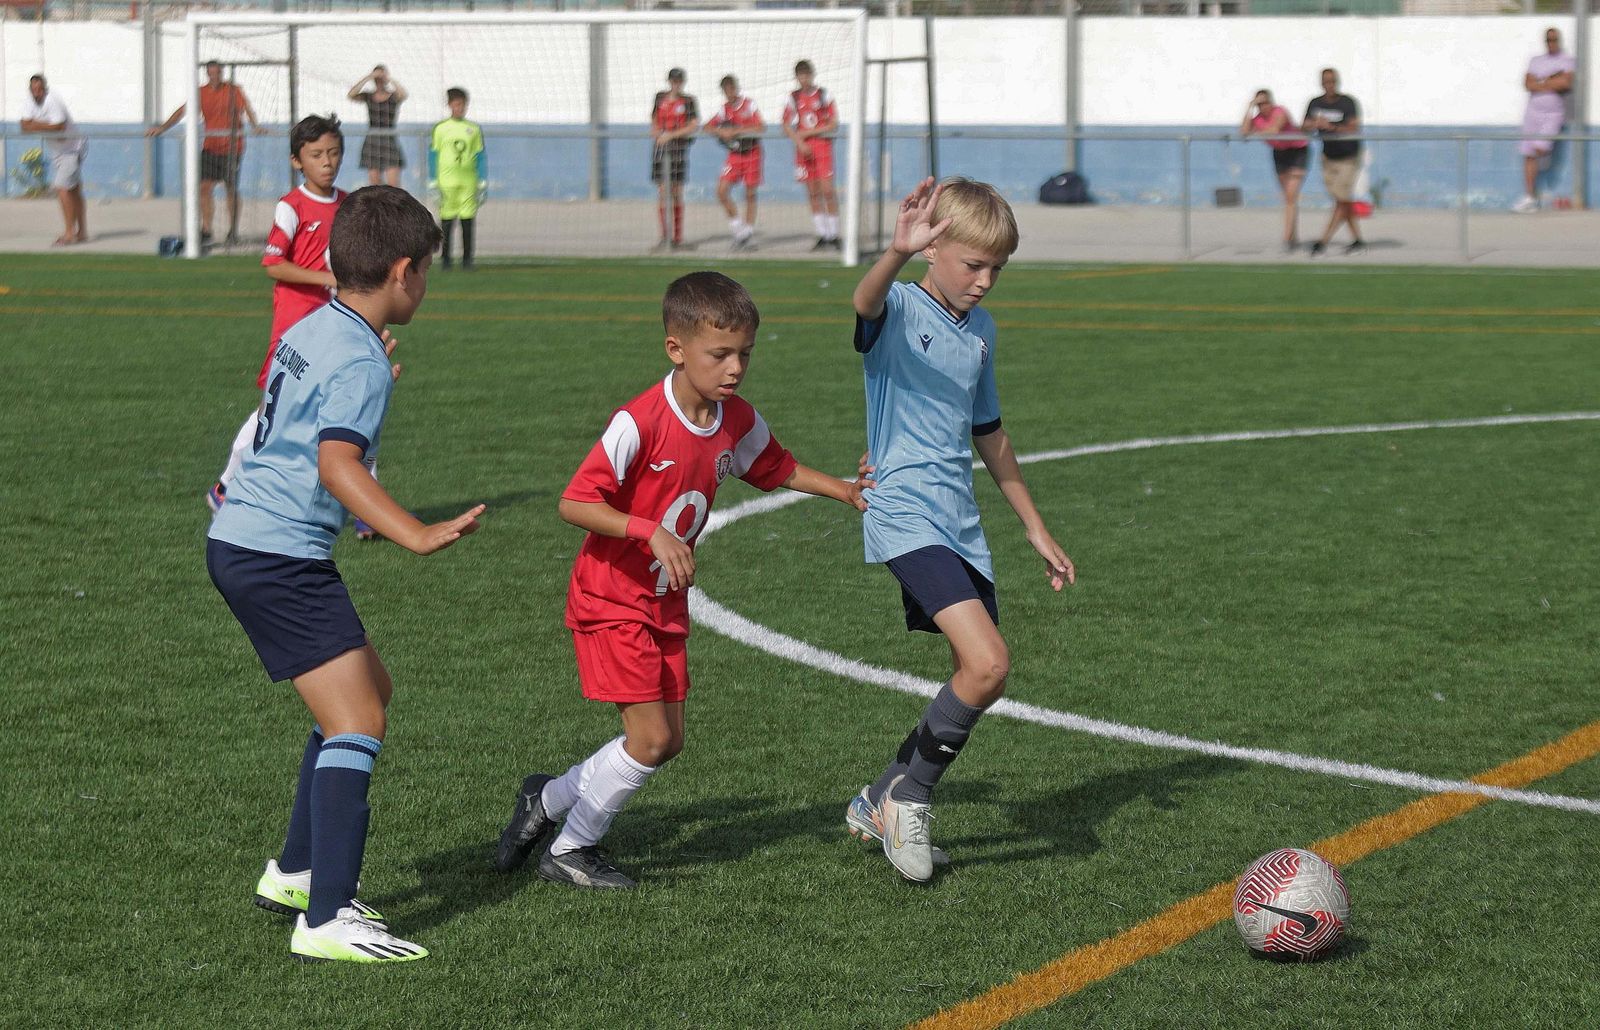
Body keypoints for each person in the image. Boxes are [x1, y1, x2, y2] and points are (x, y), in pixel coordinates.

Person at [494, 271, 871, 890]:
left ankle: (548, 797)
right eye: (719, 354)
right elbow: (575, 502)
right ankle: (571, 850)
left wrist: (842, 490)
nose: (734, 368)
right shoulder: (639, 422)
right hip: (613, 596)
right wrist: (648, 530)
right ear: (676, 348)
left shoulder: (734, 418)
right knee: (649, 739)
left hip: (665, 601)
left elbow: (773, 467)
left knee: (667, 744)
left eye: (744, 353)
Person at [207, 184, 484, 963]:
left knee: (367, 695)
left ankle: (296, 871)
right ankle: (327, 918)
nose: (425, 284)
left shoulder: (319, 326)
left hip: (247, 540)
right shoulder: (359, 355)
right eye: (426, 270)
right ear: (403, 272)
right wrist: (416, 533)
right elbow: (336, 463)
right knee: (358, 720)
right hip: (276, 553)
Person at [844, 178, 1074, 883]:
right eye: (973, 264)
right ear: (933, 246)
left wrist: (1035, 528)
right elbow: (863, 305)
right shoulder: (901, 304)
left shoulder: (982, 332)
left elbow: (990, 434)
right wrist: (893, 252)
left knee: (978, 676)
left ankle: (876, 797)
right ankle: (910, 800)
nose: (984, 281)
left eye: (996, 269)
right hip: (903, 510)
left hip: (958, 519)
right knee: (989, 663)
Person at [208, 116, 366, 531]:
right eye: (316, 155)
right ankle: (226, 484)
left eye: (333, 153)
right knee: (272, 408)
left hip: (335, 325)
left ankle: (364, 507)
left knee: (352, 399)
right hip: (295, 326)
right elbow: (274, 264)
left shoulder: (349, 203)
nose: (327, 162)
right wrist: (325, 278)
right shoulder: (290, 206)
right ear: (298, 160)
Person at [148, 60, 263, 245]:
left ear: (222, 73)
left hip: (232, 148)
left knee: (230, 188)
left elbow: (247, 109)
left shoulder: (233, 90)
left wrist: (255, 126)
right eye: (211, 73)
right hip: (211, 147)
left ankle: (232, 231)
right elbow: (181, 111)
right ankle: (206, 229)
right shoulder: (201, 93)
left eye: (218, 73)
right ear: (207, 74)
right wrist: (162, 128)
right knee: (204, 187)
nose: (214, 77)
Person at [18, 74, 88, 246]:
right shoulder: (29, 102)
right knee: (73, 190)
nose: (37, 93)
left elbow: (59, 126)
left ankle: (69, 234)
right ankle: (82, 232)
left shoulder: (52, 101)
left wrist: (35, 124)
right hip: (57, 151)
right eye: (34, 89)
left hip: (72, 148)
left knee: (62, 188)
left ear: (45, 88)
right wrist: (38, 125)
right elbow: (23, 125)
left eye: (40, 89)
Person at [1303, 68, 1364, 257]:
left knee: (1342, 199)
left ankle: (1323, 241)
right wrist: (1315, 124)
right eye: (1326, 82)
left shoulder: (1347, 102)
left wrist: (1331, 127)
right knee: (1342, 200)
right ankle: (1357, 240)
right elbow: (1304, 125)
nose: (1330, 85)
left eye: (1333, 81)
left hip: (1348, 156)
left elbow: (1354, 127)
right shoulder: (1315, 103)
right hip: (1328, 157)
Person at [1515, 28, 1576, 214]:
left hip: (1552, 115)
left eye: (1555, 39)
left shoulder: (1566, 60)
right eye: (1549, 39)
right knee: (1529, 153)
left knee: (1541, 149)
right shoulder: (1536, 60)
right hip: (1532, 113)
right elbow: (1528, 84)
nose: (1552, 42)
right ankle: (1530, 196)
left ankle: (1546, 192)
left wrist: (1540, 82)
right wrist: (1551, 80)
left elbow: (1565, 83)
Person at [1239, 89, 1308, 252]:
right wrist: (1249, 108)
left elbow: (1275, 129)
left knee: (1291, 196)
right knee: (1288, 198)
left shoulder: (1280, 111)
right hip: (1279, 153)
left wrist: (1257, 131)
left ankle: (1286, 238)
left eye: (1265, 103)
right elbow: (1244, 132)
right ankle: (1293, 236)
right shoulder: (1257, 119)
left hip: (1297, 150)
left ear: (1271, 102)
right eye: (1259, 104)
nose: (1263, 107)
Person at [783, 59, 840, 250]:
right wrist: (799, 141)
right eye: (800, 76)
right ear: (797, 78)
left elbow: (833, 123)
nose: (804, 79)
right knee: (812, 192)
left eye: (807, 75)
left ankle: (834, 233)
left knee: (827, 190)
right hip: (803, 150)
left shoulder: (823, 95)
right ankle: (822, 234)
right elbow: (786, 124)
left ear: (812, 75)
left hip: (822, 147)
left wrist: (808, 133)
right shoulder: (793, 97)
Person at [704, 74, 765, 251]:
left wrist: (738, 130)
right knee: (721, 191)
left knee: (750, 194)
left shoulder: (748, 104)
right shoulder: (724, 110)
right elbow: (707, 126)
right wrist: (720, 132)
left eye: (732, 88)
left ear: (736, 88)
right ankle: (739, 230)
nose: (730, 93)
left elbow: (761, 127)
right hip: (735, 155)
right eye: (726, 90)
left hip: (752, 152)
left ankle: (748, 232)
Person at [428, 87, 486, 270]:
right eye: (456, 104)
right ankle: (446, 259)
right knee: (447, 220)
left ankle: (467, 260)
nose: (459, 108)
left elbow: (480, 154)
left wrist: (482, 180)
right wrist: (432, 180)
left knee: (467, 220)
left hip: (468, 182)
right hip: (447, 182)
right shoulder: (441, 128)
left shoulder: (473, 129)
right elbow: (433, 154)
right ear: (450, 105)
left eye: (462, 105)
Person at [651, 68, 700, 251]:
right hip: (661, 151)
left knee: (677, 191)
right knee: (663, 191)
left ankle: (677, 237)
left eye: (679, 81)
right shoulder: (660, 98)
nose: (676, 84)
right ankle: (665, 236)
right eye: (673, 80)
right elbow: (654, 120)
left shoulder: (688, 101)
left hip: (678, 150)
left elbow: (693, 125)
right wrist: (657, 134)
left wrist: (671, 135)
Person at [348, 65, 408, 187]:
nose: (379, 81)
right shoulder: (369, 96)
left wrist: (389, 79)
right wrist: (368, 77)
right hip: (373, 139)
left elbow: (403, 94)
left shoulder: (393, 96)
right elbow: (351, 94)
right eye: (377, 79)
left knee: (393, 184)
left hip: (389, 137)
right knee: (374, 184)